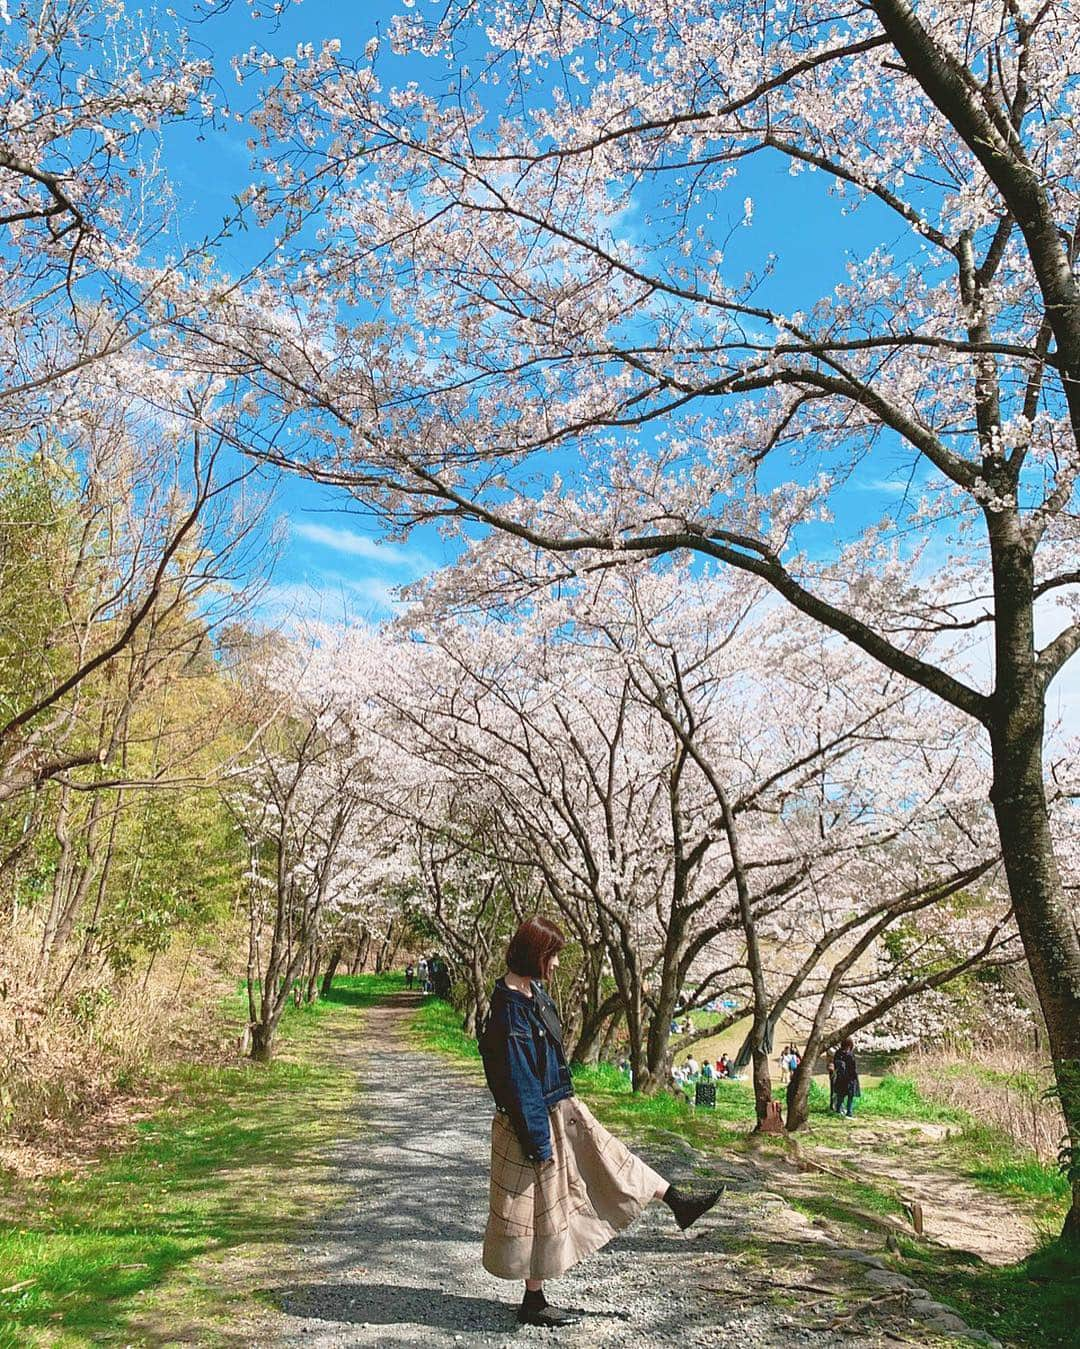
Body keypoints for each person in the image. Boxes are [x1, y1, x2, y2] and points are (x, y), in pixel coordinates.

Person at [478, 916, 724, 1327]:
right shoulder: (510, 1013)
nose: (556, 964)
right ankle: (534, 1300)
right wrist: (539, 1143)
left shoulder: (533, 993)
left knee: (614, 1158)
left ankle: (676, 1200)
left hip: (562, 1105)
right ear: (535, 954)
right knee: (543, 1209)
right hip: (538, 1118)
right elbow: (520, 1085)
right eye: (552, 956)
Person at [833, 1038, 860, 1117]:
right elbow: (853, 1067)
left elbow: (835, 1064)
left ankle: (838, 1110)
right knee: (849, 1095)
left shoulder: (838, 1053)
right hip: (850, 1078)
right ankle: (849, 1112)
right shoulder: (850, 1055)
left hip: (841, 1077)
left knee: (841, 1094)